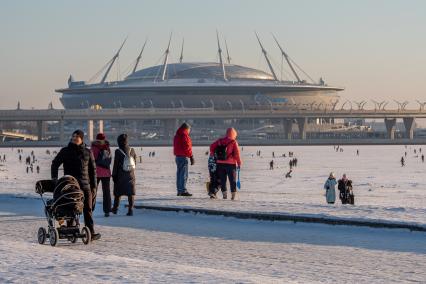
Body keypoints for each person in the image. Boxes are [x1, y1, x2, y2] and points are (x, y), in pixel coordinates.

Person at [51, 129, 100, 241]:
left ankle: (90, 232)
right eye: (73, 137)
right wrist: (54, 179)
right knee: (71, 208)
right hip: (71, 185)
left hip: (85, 186)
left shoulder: (88, 152)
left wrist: (94, 187)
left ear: (81, 139)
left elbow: (93, 171)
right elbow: (55, 164)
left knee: (88, 209)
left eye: (76, 137)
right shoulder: (65, 151)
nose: (74, 139)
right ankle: (70, 230)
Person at [210, 128, 242, 200]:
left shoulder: (220, 141)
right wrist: (239, 163)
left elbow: (212, 146)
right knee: (232, 180)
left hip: (220, 163)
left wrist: (212, 153)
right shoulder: (233, 142)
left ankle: (224, 195)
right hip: (231, 164)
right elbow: (237, 154)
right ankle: (233, 196)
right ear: (234, 134)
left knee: (222, 180)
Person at [111, 134, 137, 216]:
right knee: (130, 194)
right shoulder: (132, 150)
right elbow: (134, 162)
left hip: (120, 176)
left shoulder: (118, 151)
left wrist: (114, 175)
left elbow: (115, 165)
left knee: (118, 193)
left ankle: (115, 209)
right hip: (130, 175)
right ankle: (131, 210)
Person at [91, 133, 112, 217]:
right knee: (106, 192)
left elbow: (90, 160)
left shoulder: (93, 148)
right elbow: (109, 159)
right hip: (106, 172)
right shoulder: (107, 147)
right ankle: (107, 211)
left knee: (93, 192)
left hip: (95, 172)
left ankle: (90, 209)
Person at [173, 123, 194, 196]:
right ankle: (183, 190)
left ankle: (179, 190)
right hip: (183, 157)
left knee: (179, 174)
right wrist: (191, 156)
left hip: (177, 157)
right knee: (184, 174)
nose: (189, 131)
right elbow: (187, 147)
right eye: (189, 130)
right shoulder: (184, 136)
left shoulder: (177, 135)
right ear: (186, 129)